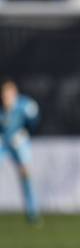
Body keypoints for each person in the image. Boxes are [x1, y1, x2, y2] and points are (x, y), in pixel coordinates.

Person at [0, 78, 40, 223]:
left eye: (8, 94)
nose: (5, 97)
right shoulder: (2, 109)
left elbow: (34, 123)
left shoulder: (25, 106)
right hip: (3, 142)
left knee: (25, 174)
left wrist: (25, 133)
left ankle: (32, 212)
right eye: (3, 94)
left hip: (19, 142)